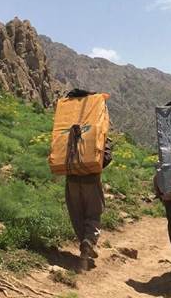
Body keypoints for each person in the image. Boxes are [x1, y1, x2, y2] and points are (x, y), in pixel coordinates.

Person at [63, 90, 113, 261]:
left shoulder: (66, 124)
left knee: (76, 213)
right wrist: (95, 164)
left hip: (71, 177)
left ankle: (84, 244)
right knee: (93, 212)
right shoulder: (96, 127)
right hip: (91, 177)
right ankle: (89, 241)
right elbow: (107, 156)